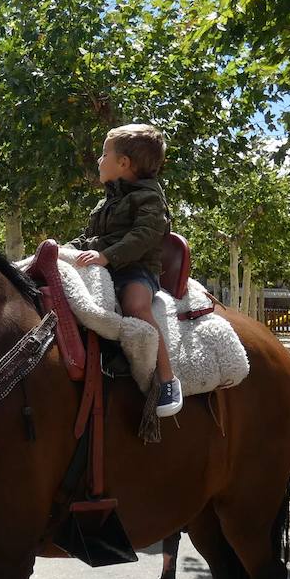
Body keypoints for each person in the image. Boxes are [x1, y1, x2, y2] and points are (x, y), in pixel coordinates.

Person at [70, 123, 181, 417]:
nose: (98, 160)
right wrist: (66, 248)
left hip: (137, 269)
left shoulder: (149, 198)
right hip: (107, 265)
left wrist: (107, 256)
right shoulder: (107, 201)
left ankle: (167, 379)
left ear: (123, 163)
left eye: (104, 154)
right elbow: (91, 238)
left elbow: (144, 235)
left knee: (135, 304)